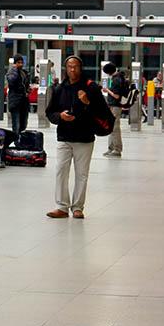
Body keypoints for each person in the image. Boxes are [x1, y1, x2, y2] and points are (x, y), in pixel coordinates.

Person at [45, 55, 107, 219]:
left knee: (82, 174)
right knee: (60, 171)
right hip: (64, 136)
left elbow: (102, 112)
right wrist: (60, 116)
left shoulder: (91, 87)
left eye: (76, 66)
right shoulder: (59, 89)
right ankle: (62, 207)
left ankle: (78, 207)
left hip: (84, 137)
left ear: (81, 68)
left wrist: (87, 102)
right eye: (70, 66)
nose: (72, 69)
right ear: (66, 68)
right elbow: (50, 112)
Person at [101, 62, 129, 158]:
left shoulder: (117, 80)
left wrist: (107, 90)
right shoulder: (118, 77)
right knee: (111, 127)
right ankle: (111, 148)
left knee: (114, 128)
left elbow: (116, 96)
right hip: (113, 106)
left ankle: (117, 149)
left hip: (115, 106)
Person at [6, 55, 31, 135]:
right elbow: (12, 81)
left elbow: (25, 85)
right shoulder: (12, 72)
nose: (20, 64)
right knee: (16, 124)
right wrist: (14, 69)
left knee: (23, 124)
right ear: (14, 63)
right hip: (15, 102)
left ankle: (19, 139)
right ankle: (16, 139)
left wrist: (27, 90)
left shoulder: (24, 73)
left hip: (24, 102)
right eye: (18, 62)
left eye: (21, 62)